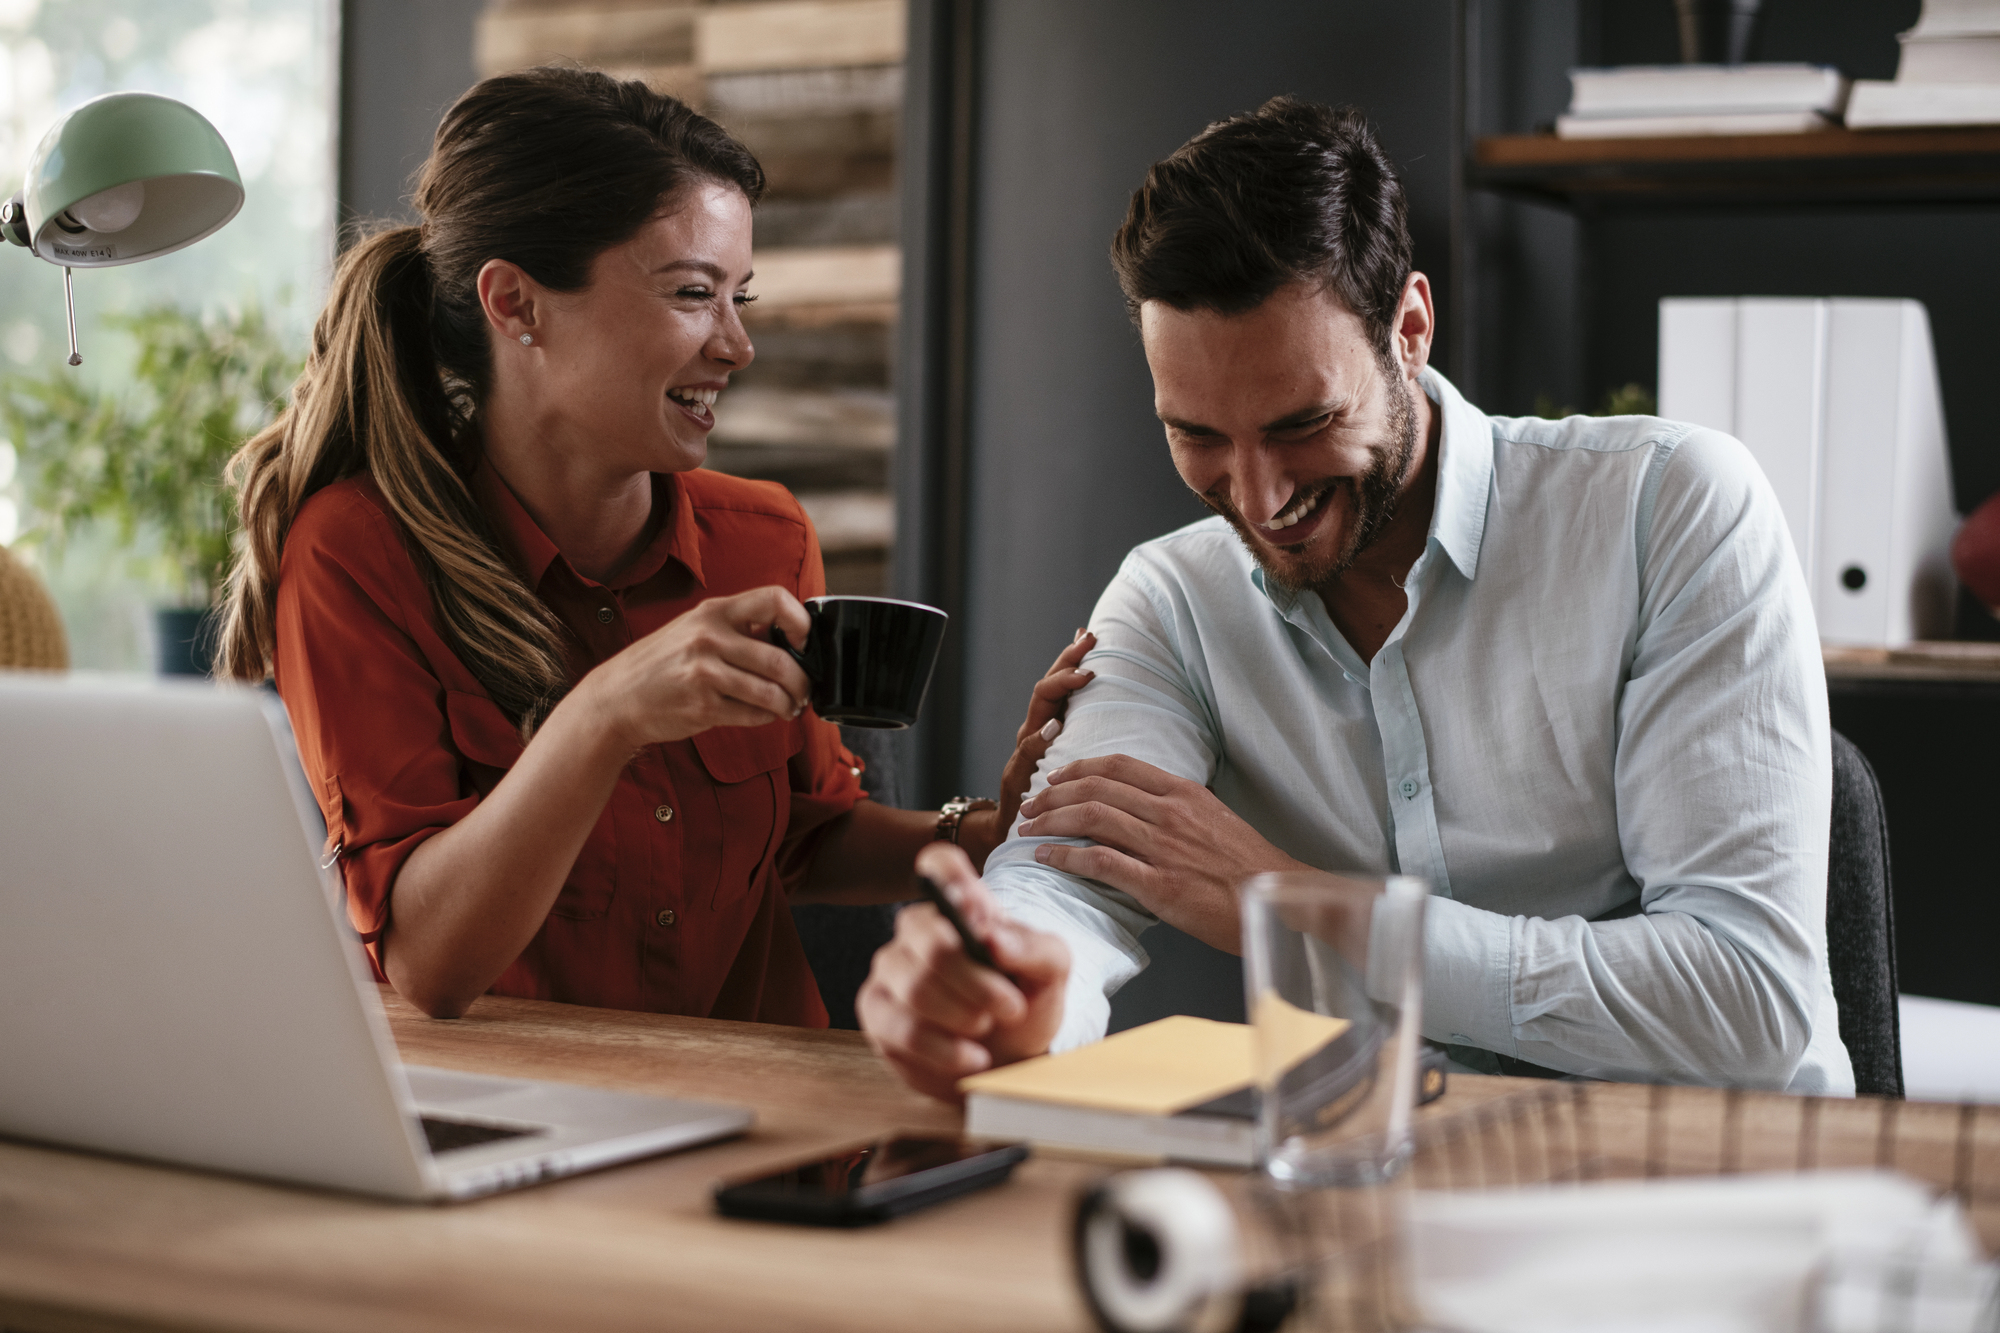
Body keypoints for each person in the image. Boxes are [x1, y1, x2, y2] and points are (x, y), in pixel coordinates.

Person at [858, 97, 1853, 1099]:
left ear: (1409, 329)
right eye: (1196, 434)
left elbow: (1743, 1004)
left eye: (1301, 422)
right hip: (1374, 1176)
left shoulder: (1664, 507)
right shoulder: (1169, 602)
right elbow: (1060, 883)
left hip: (1717, 1181)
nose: (1258, 494)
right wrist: (1008, 989)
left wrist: (1287, 907)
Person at [216, 68, 1087, 1027]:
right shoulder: (358, 555)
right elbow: (429, 961)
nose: (737, 345)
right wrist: (609, 713)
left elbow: (805, 837)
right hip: (526, 1136)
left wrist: (1001, 826)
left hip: (777, 1131)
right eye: (692, 293)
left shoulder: (767, 539)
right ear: (516, 304)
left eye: (738, 295)